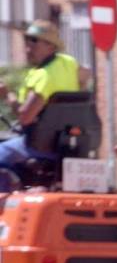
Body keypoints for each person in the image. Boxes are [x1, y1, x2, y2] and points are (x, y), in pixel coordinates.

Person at [0, 20, 90, 174]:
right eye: (27, 41)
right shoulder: (68, 62)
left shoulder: (43, 76)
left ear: (51, 46)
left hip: (39, 146)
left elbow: (25, 117)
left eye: (34, 42)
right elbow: (85, 76)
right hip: (67, 145)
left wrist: (7, 95)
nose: (28, 48)